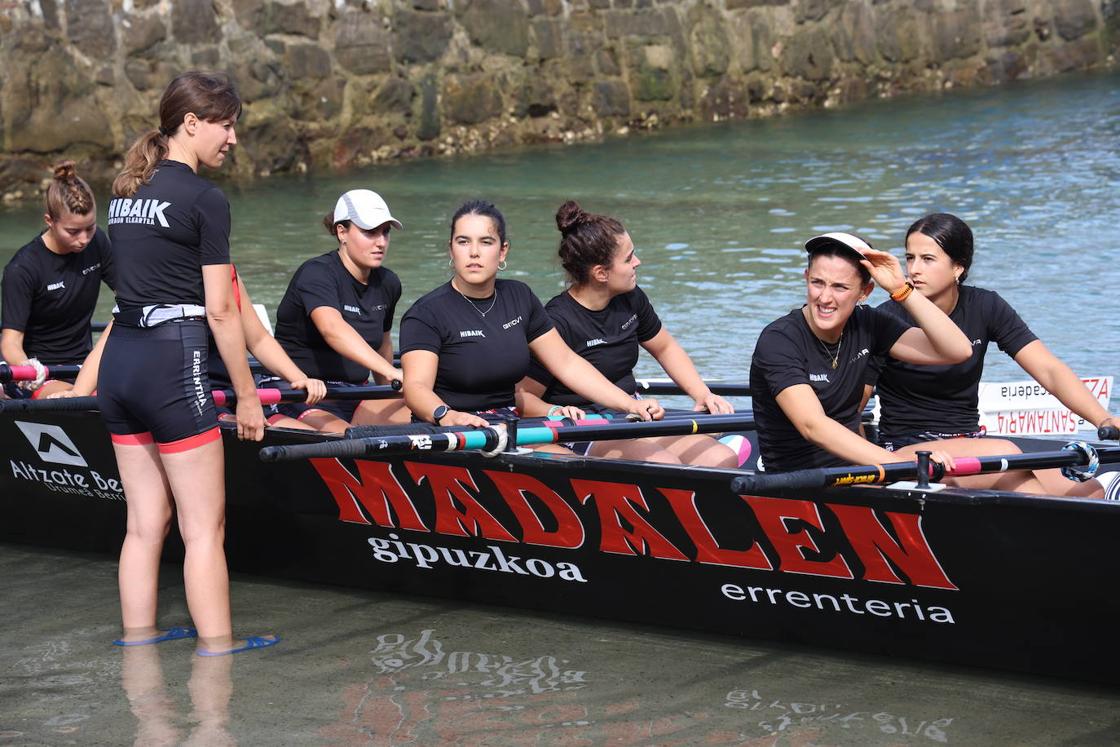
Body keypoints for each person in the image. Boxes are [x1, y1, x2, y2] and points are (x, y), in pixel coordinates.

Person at [99, 71, 277, 656]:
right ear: (192, 123)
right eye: (226, 126)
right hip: (173, 362)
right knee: (205, 527)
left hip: (120, 359)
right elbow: (222, 312)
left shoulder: (125, 194)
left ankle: (140, 642)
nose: (232, 138)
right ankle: (218, 651)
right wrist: (248, 395)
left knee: (144, 525)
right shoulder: (205, 198)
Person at [866, 213, 1120, 498]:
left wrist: (1104, 419)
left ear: (958, 268)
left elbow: (1048, 369)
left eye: (927, 259)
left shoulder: (986, 306)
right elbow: (852, 409)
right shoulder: (885, 320)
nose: (913, 270)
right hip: (909, 449)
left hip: (970, 441)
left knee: (1091, 491)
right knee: (1006, 454)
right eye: (909, 258)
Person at [399, 199, 662, 445]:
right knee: (560, 468)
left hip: (510, 425)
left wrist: (628, 405)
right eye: (464, 242)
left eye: (486, 242)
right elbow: (416, 388)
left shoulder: (519, 296)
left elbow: (567, 363)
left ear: (503, 251)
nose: (475, 252)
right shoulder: (426, 314)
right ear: (451, 249)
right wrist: (446, 415)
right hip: (452, 431)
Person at [516, 200, 736, 466]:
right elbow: (522, 397)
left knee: (720, 458)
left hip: (630, 413)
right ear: (601, 273)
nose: (638, 262)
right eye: (629, 258)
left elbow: (665, 347)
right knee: (663, 465)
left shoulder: (630, 298)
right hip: (583, 424)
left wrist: (702, 394)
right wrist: (555, 411)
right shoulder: (557, 321)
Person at [750, 232, 972, 475]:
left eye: (840, 287)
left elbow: (958, 350)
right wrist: (904, 467)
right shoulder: (779, 339)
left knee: (1009, 456)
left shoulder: (868, 324)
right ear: (806, 278)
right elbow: (812, 426)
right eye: (817, 283)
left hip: (859, 469)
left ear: (865, 291)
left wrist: (901, 289)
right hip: (801, 478)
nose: (825, 298)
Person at [272, 189, 407, 433]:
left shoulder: (389, 283)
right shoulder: (317, 274)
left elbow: (383, 344)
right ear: (341, 232)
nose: (381, 242)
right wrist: (392, 370)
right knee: (347, 437)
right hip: (301, 393)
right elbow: (333, 329)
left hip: (355, 393)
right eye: (370, 232)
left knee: (425, 418)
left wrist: (396, 384)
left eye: (385, 232)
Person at [1, 161, 115, 398]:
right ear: (49, 221)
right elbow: (10, 342)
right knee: (96, 398)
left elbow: (131, 294)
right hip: (40, 374)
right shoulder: (23, 268)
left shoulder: (98, 242)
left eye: (90, 228)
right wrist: (28, 368)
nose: (84, 239)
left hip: (84, 368)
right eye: (73, 232)